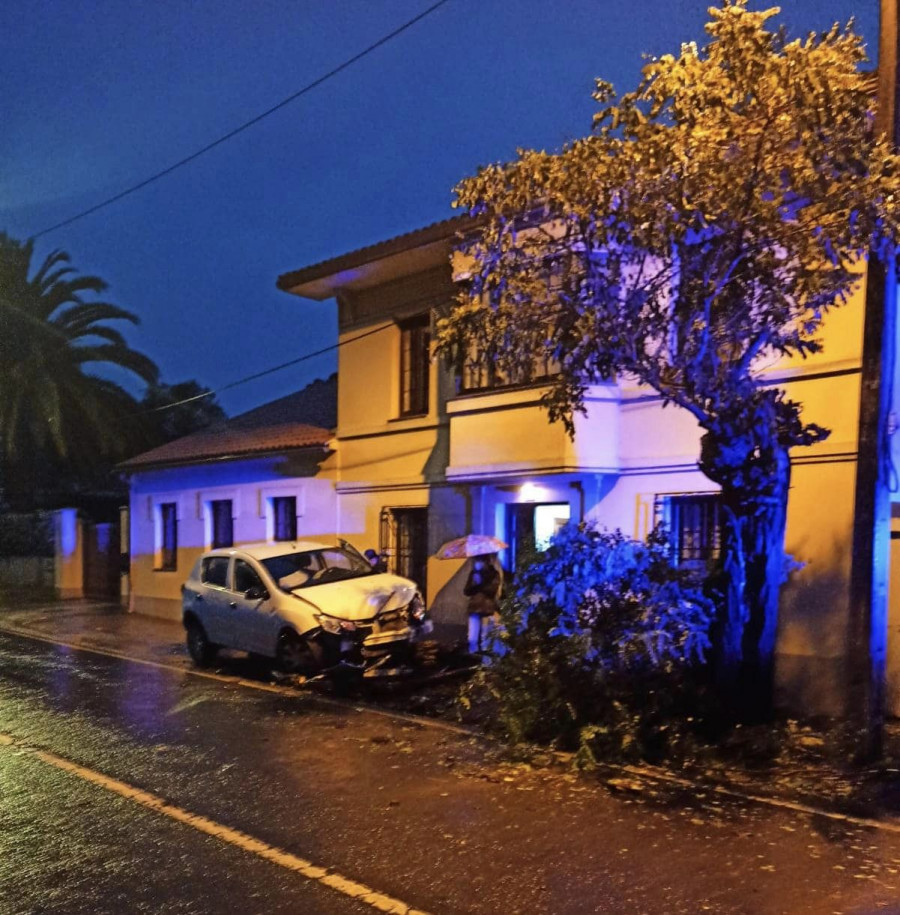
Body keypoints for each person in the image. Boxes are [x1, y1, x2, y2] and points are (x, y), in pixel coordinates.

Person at [464, 553, 502, 655]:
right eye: (477, 561)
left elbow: (491, 591)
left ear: (486, 561)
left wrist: (480, 583)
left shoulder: (494, 574)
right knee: (472, 637)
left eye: (480, 561)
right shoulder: (474, 573)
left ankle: (487, 661)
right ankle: (472, 657)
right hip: (474, 608)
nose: (478, 563)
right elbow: (466, 591)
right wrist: (474, 584)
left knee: (486, 637)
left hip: (487, 609)